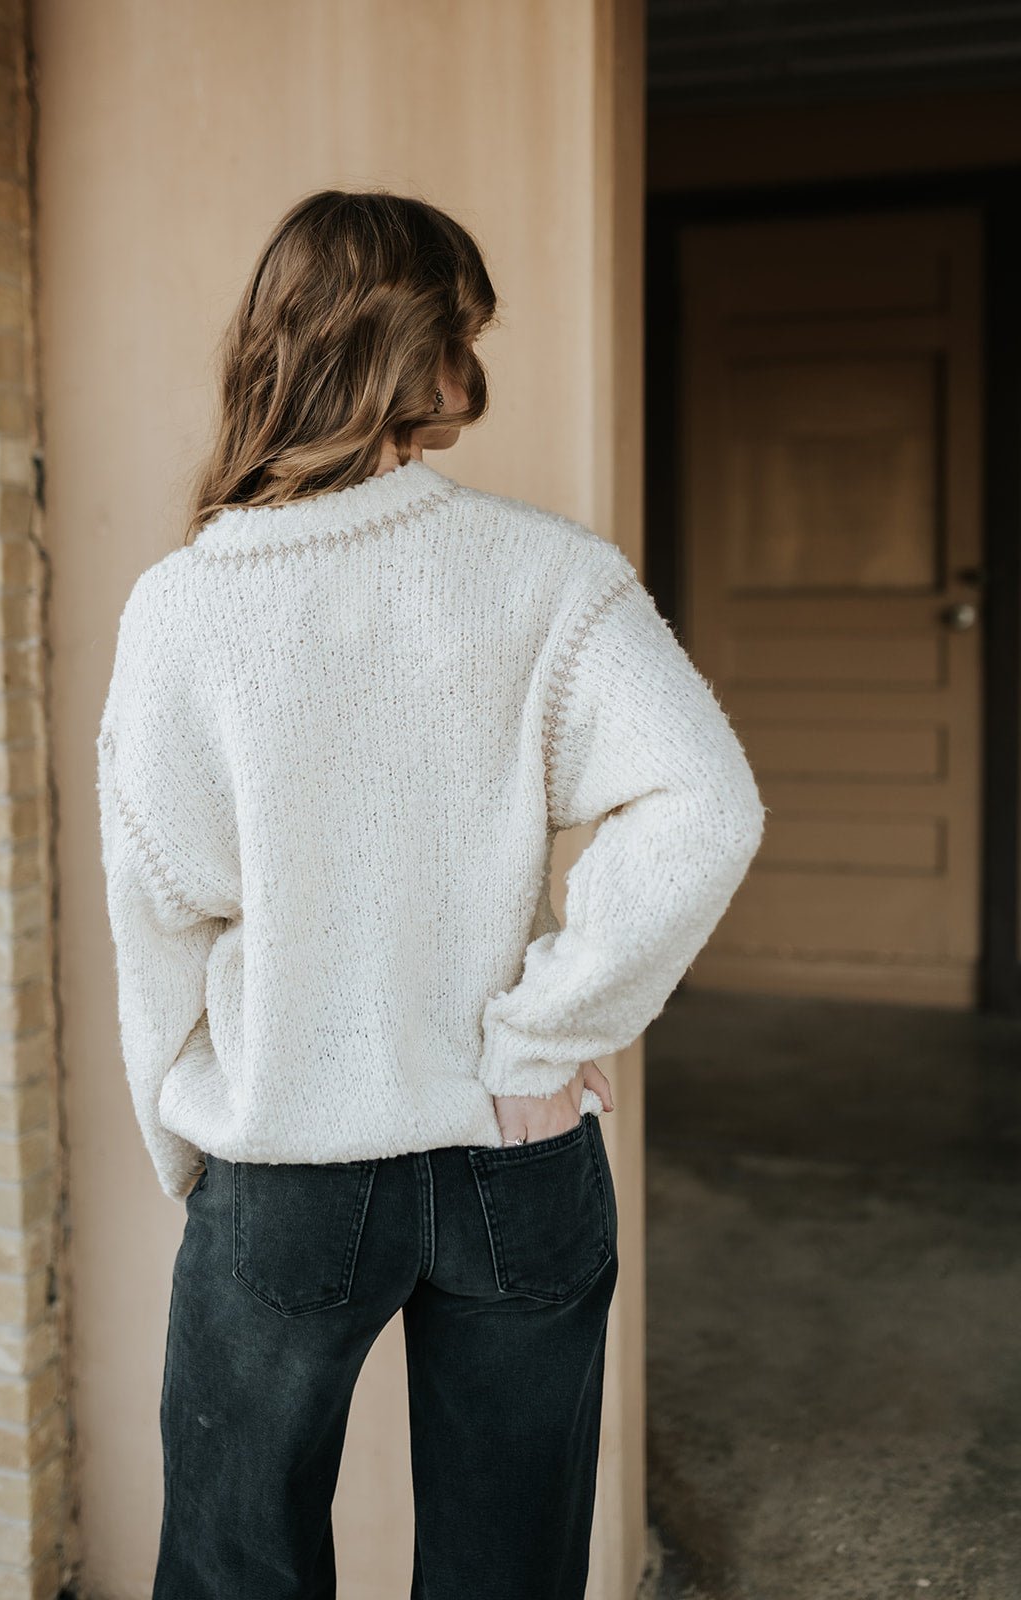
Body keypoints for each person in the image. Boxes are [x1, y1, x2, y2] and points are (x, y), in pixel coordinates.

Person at [96, 186, 766, 1600]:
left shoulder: (185, 606)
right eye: (467, 329)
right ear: (428, 351)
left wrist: (198, 1133)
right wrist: (545, 1034)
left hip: (289, 1150)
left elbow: (164, 903)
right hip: (514, 1148)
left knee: (231, 1569)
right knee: (510, 1571)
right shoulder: (551, 573)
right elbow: (704, 805)